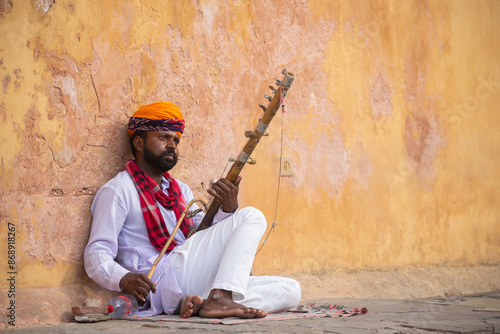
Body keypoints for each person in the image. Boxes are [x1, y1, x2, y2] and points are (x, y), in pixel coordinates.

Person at [84, 101, 301, 318]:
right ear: (139, 143)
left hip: (193, 274)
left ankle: (204, 303)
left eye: (176, 140)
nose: (172, 145)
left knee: (291, 290)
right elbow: (96, 254)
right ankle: (219, 300)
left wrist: (228, 208)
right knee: (252, 216)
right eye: (163, 137)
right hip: (161, 277)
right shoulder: (118, 190)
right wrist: (122, 277)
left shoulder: (181, 191)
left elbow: (203, 238)